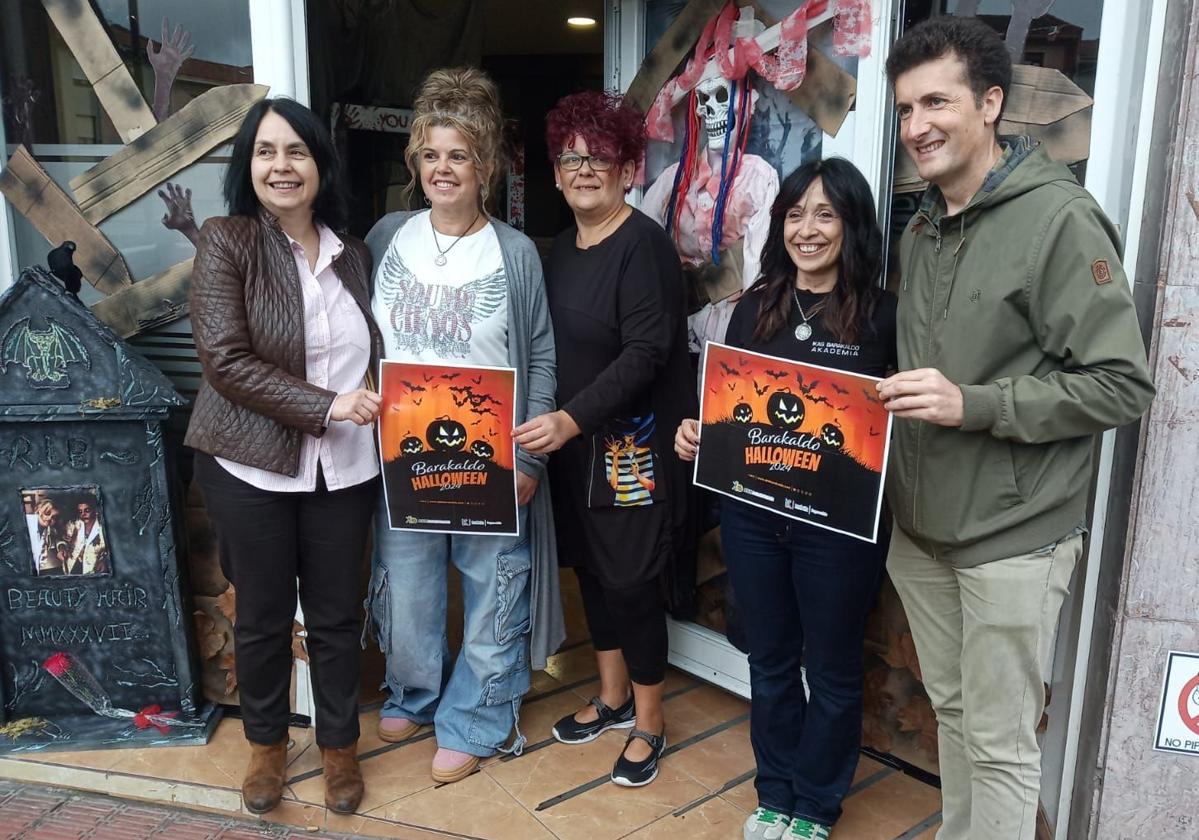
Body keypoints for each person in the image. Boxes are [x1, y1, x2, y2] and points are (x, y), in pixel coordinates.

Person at [878, 17, 1154, 840]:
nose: (915, 125)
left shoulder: (1058, 222)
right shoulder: (923, 225)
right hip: (923, 533)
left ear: (990, 103)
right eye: (902, 109)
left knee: (998, 743)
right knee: (955, 716)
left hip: (1012, 537)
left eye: (936, 101)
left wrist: (978, 403)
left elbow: (1119, 384)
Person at [675, 159, 896, 840]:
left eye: (825, 214)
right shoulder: (753, 304)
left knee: (830, 669)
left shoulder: (884, 316)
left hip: (837, 530)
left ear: (852, 225)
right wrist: (697, 433)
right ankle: (773, 791)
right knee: (768, 661)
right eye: (795, 213)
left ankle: (814, 804)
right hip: (753, 519)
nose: (807, 229)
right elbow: (732, 412)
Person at [363, 67, 562, 785]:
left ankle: (476, 715)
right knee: (409, 583)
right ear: (416, 162)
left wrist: (531, 456)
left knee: (492, 585)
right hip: (405, 450)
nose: (443, 169)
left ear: (485, 166)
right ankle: (413, 693)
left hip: (490, 454)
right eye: (431, 154)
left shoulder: (513, 253)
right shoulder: (387, 235)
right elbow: (362, 341)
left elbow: (538, 351)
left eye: (459, 155)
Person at [185, 97, 382, 816]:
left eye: (296, 151)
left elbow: (372, 354)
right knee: (264, 617)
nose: (281, 166)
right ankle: (266, 750)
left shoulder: (352, 253)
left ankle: (339, 752)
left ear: (321, 165)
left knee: (335, 618)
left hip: (345, 470)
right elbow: (225, 361)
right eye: (266, 152)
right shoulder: (225, 241)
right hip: (250, 466)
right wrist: (325, 406)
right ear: (248, 166)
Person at [514, 90, 695, 788]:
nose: (584, 168)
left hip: (632, 450)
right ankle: (613, 699)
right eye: (571, 158)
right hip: (576, 452)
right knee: (592, 573)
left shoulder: (643, 246)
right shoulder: (562, 249)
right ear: (556, 175)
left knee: (630, 583)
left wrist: (568, 419)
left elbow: (646, 354)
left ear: (627, 168)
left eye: (600, 157)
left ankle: (649, 722)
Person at [28, 498, 72, 575]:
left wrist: (61, 548)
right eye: (47, 513)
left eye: (54, 517)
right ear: (39, 510)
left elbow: (56, 539)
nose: (49, 518)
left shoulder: (48, 529)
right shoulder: (27, 522)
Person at [67, 498, 108, 575]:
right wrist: (61, 546)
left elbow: (111, 548)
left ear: (95, 510)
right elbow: (61, 538)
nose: (83, 514)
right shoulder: (74, 524)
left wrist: (105, 560)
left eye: (87, 510)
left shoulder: (102, 527)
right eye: (80, 511)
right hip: (72, 566)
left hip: (93, 569)